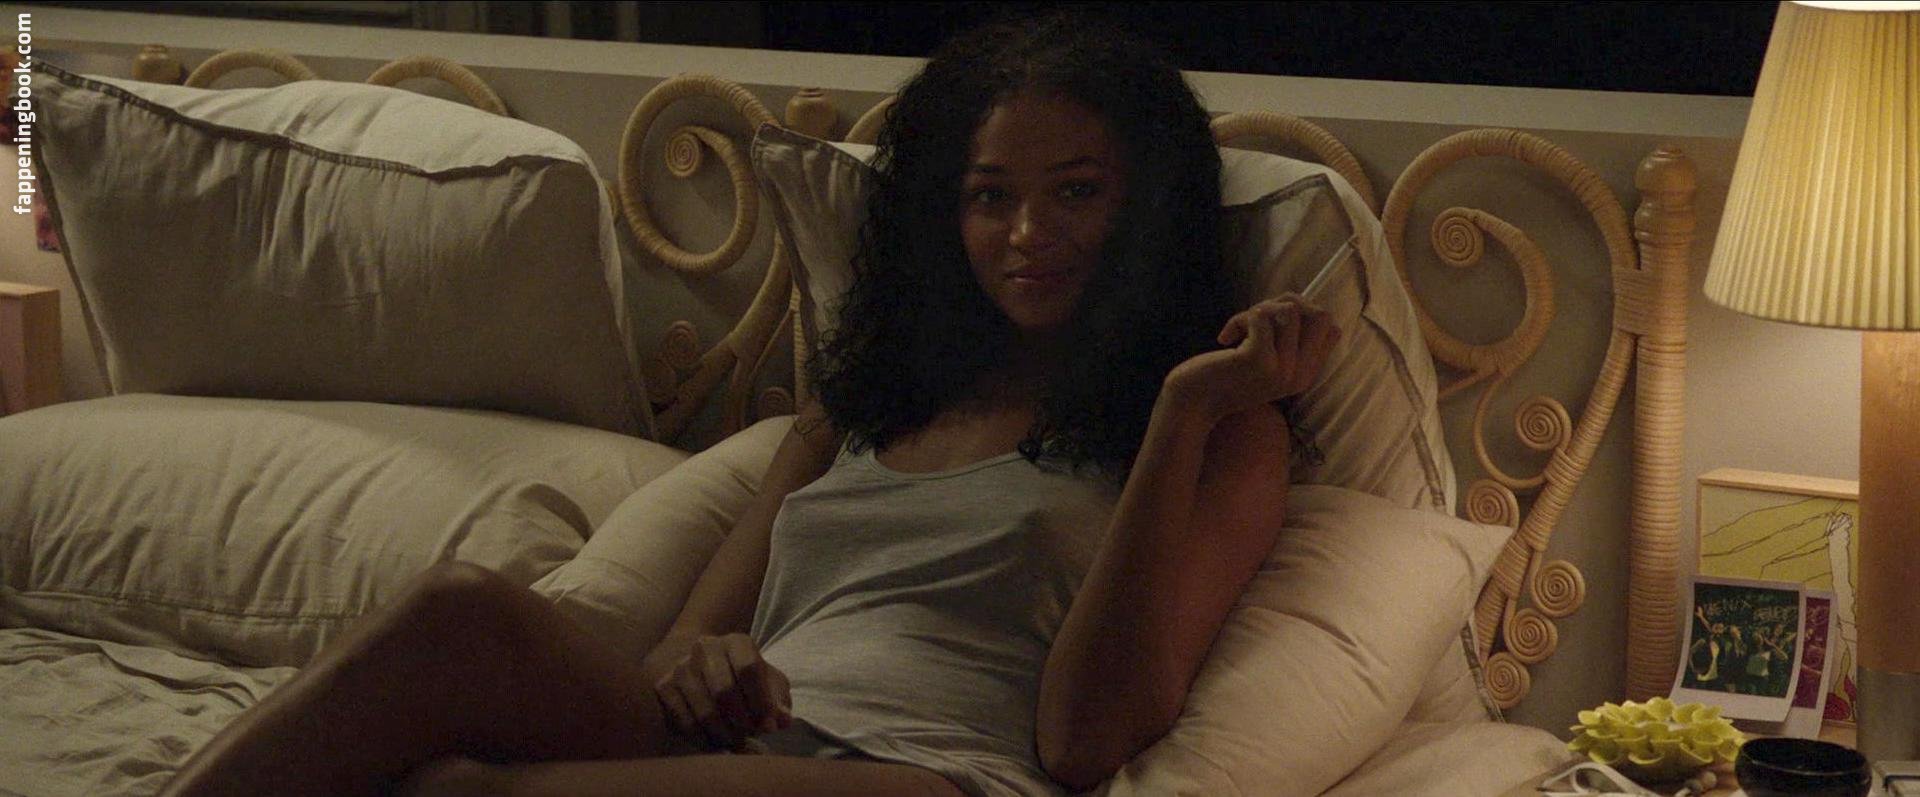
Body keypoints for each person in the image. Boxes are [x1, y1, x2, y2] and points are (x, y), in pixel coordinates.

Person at [161, 12, 1339, 797]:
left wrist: (1181, 413)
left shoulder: (1219, 430)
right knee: (455, 612)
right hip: (732, 743)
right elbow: (681, 643)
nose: (1028, 233)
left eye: (1075, 192)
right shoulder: (863, 406)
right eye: (991, 197)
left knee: (450, 785)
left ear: (1146, 208)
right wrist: (704, 660)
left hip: (920, 774)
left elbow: (1085, 742)